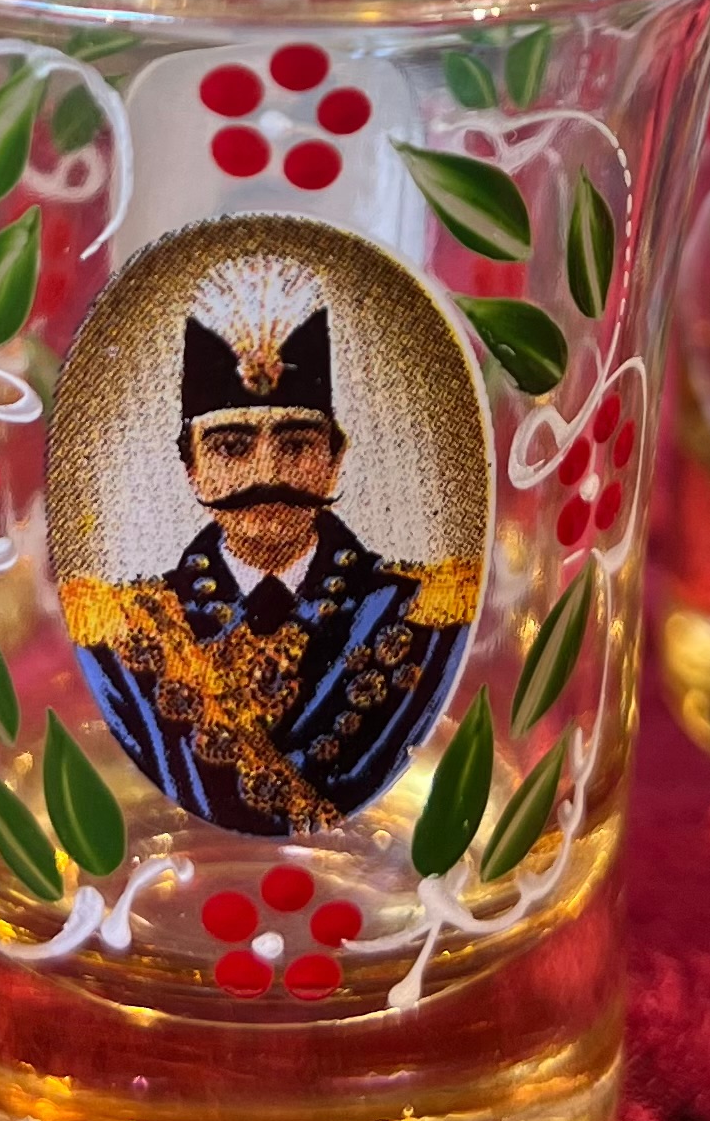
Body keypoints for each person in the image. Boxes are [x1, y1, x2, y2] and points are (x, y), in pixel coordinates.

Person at [63, 246, 474, 838]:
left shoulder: (419, 616)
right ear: (192, 470)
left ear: (333, 461)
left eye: (297, 444)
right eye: (231, 447)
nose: (267, 473)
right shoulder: (129, 627)